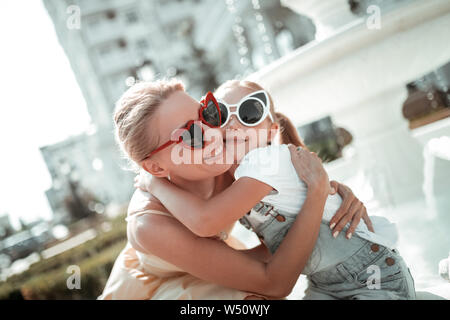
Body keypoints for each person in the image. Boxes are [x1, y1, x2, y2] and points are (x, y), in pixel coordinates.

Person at [137, 80, 416, 300]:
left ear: (271, 131)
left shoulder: (258, 163)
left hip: (369, 274)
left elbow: (211, 222)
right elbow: (268, 251)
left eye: (249, 113)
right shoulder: (229, 166)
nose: (228, 125)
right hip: (162, 287)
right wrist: (317, 196)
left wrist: (327, 192)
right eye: (220, 114)